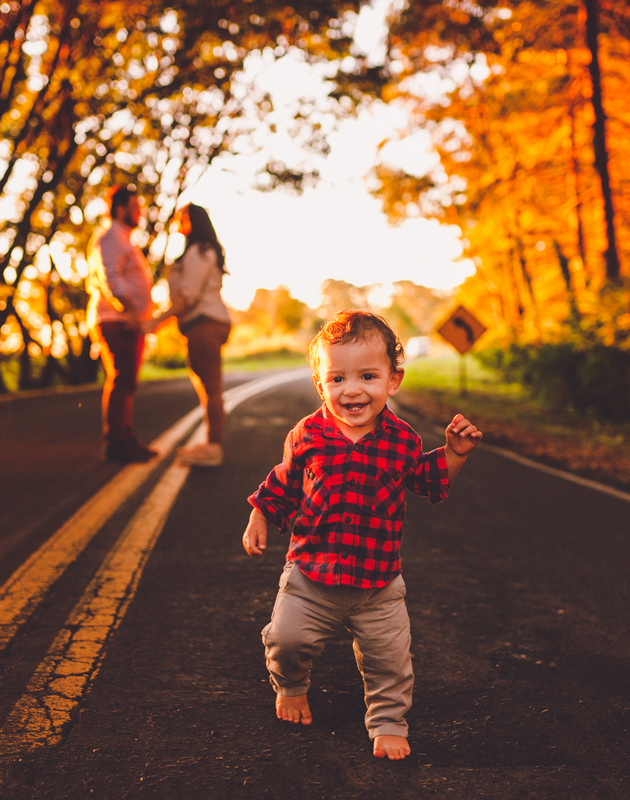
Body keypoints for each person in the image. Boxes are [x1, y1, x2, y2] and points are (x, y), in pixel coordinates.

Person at [242, 309, 483, 761]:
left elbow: (429, 479)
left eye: (368, 376)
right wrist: (259, 515)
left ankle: (389, 720)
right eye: (337, 379)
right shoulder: (307, 435)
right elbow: (284, 482)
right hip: (310, 576)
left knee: (391, 661)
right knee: (286, 641)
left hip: (379, 585)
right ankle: (291, 686)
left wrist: (454, 453)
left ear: (393, 381)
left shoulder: (403, 440)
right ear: (321, 385)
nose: (351, 390)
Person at [149, 204, 233, 467]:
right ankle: (210, 444)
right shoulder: (201, 250)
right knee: (208, 389)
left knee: (211, 389)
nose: (177, 221)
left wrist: (156, 321)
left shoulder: (198, 251)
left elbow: (188, 296)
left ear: (193, 221)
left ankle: (213, 447)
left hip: (204, 323)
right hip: (203, 323)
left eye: (182, 217)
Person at [87, 184, 156, 463]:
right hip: (115, 321)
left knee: (126, 381)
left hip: (126, 322)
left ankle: (125, 438)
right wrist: (128, 311)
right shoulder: (111, 236)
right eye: (135, 206)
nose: (140, 211)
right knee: (121, 380)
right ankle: (116, 442)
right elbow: (109, 278)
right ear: (119, 209)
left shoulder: (123, 238)